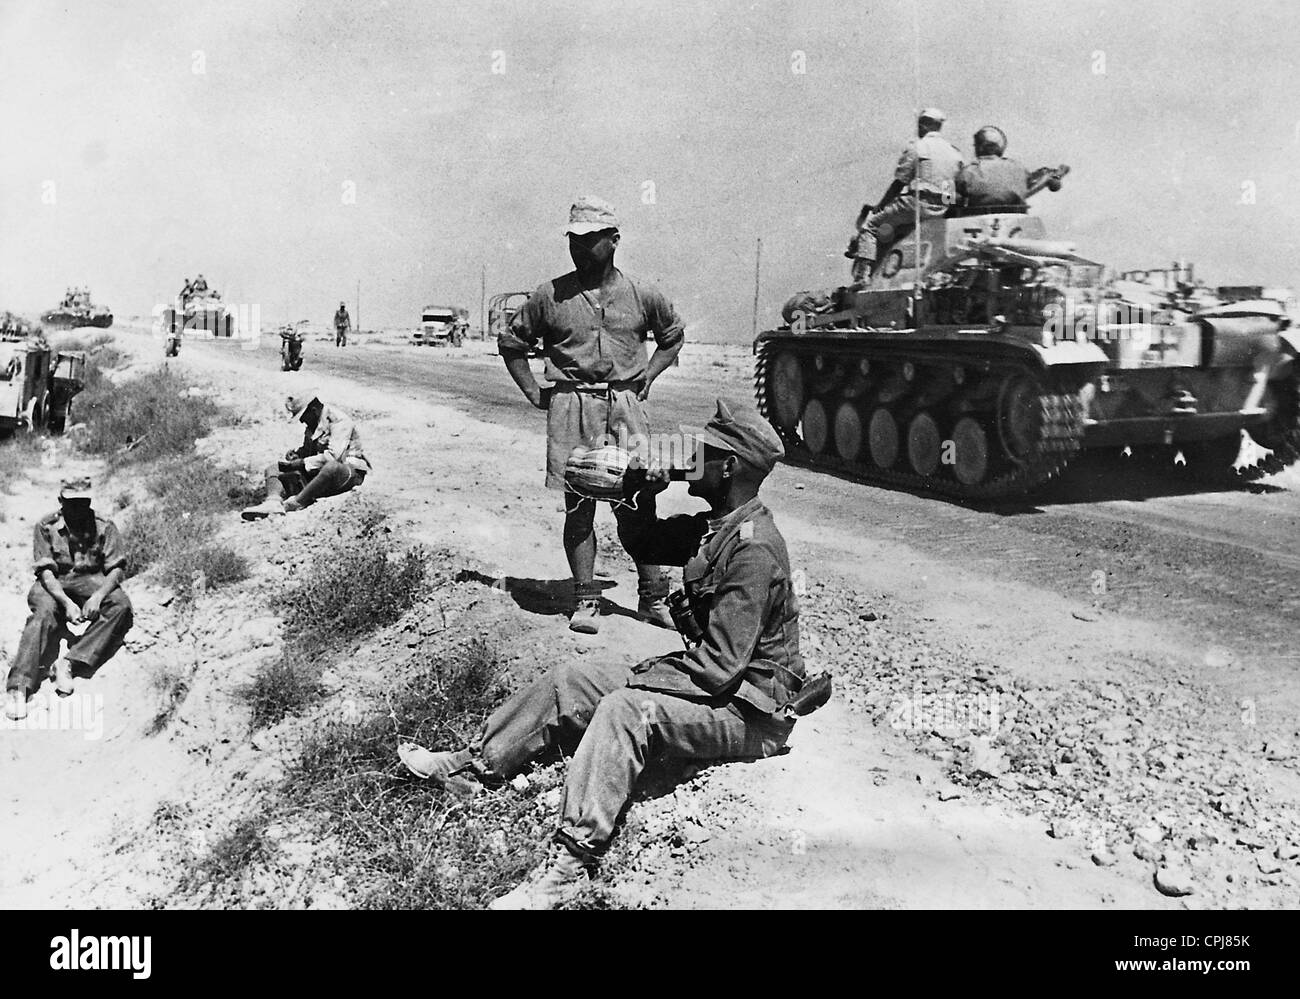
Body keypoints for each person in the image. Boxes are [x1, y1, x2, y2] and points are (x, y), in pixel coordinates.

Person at [398, 398, 811, 909]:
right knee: (575, 680)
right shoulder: (715, 525)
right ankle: (470, 769)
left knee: (625, 707)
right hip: (720, 686)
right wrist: (638, 489)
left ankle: (574, 861)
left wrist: (641, 680)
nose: (690, 456)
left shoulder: (752, 546)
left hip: (752, 710)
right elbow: (646, 541)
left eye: (703, 451)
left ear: (729, 468)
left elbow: (719, 669)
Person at [497, 195, 685, 634]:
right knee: (579, 506)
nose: (580, 248)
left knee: (639, 504)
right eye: (574, 240)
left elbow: (672, 337)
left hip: (625, 406)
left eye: (591, 240)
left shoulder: (643, 293)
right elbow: (512, 344)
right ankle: (585, 599)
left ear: (614, 240)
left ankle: (653, 596)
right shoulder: (550, 295)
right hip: (572, 406)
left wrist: (648, 378)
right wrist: (532, 391)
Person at [5, 478, 134, 721]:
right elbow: (45, 571)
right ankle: (19, 688)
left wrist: (97, 596)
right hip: (54, 581)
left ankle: (69, 662)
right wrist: (66, 604)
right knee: (43, 614)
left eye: (84, 502)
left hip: (90, 580)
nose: (79, 508)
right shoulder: (46, 525)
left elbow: (116, 568)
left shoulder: (104, 526)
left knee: (121, 605)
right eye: (72, 503)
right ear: (61, 501)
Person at [850, 107, 964, 282]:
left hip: (916, 204)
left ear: (924, 125)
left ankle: (862, 277)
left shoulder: (918, 147)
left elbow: (899, 182)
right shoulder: (954, 153)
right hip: (941, 208)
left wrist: (881, 206)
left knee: (871, 228)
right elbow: (950, 185)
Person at [241, 393, 371, 519]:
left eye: (303, 416)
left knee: (331, 467)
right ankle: (273, 502)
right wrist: (297, 455)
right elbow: (309, 451)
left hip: (348, 473)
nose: (302, 421)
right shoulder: (313, 423)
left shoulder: (338, 421)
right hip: (321, 474)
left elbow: (335, 457)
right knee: (274, 468)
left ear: (313, 409)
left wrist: (302, 463)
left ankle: (298, 502)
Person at [955, 126, 1030, 211]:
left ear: (979, 147)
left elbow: (950, 199)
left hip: (979, 219)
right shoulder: (1019, 167)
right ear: (1000, 147)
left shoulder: (968, 172)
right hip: (1017, 218)